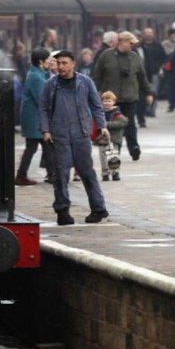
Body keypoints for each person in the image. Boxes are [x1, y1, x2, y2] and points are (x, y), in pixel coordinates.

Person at [40, 50, 109, 225]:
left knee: (87, 172)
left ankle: (98, 209)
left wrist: (102, 126)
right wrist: (46, 130)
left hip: (82, 133)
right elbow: (43, 108)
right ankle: (62, 210)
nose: (61, 66)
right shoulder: (51, 84)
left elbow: (96, 105)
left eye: (64, 63)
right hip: (60, 134)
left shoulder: (85, 82)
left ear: (73, 64)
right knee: (61, 173)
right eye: (58, 63)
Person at [93, 31, 153, 162]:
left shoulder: (134, 56)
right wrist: (93, 93)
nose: (132, 45)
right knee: (111, 126)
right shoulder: (106, 55)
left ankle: (134, 148)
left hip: (129, 97)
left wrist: (149, 92)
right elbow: (97, 75)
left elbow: (142, 77)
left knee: (130, 124)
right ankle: (113, 152)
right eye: (130, 43)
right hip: (110, 99)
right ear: (122, 42)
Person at [15, 48, 55, 185]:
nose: (50, 61)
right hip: (34, 119)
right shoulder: (35, 77)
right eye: (48, 59)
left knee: (44, 145)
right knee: (36, 146)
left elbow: (47, 81)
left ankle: (50, 174)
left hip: (35, 117)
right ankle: (21, 176)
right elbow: (42, 99)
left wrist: (49, 70)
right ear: (41, 61)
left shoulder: (36, 73)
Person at [94, 91, 128, 181]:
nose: (107, 103)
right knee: (103, 156)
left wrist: (107, 124)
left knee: (113, 156)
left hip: (114, 139)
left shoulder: (117, 113)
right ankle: (105, 173)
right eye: (105, 101)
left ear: (114, 102)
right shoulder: (100, 113)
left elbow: (123, 122)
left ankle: (115, 172)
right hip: (102, 139)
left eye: (109, 101)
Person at [141, 28, 167, 117]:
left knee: (154, 91)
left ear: (153, 34)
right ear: (144, 34)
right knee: (144, 92)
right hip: (143, 73)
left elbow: (164, 58)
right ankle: (145, 109)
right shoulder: (141, 46)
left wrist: (160, 68)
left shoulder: (158, 45)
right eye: (147, 33)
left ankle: (152, 110)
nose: (149, 35)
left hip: (155, 72)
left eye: (150, 33)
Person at [161, 28, 175, 112]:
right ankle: (171, 104)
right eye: (172, 34)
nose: (174, 35)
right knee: (170, 87)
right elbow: (168, 54)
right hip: (169, 68)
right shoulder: (165, 44)